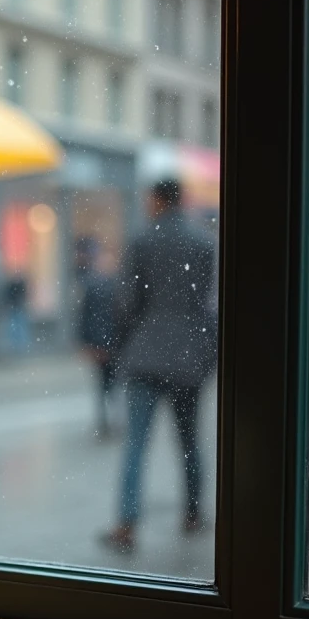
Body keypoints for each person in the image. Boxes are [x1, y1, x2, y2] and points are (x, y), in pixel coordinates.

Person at [101, 179, 217, 553]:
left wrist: (130, 342)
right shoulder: (203, 244)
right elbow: (211, 305)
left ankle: (126, 524)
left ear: (157, 200)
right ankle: (193, 514)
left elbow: (126, 303)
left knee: (136, 443)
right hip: (188, 357)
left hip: (146, 356)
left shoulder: (141, 241)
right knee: (188, 441)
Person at [75, 238, 123, 438]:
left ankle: (108, 421)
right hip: (106, 343)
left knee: (108, 385)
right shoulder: (104, 285)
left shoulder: (107, 285)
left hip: (109, 343)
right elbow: (86, 316)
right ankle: (107, 421)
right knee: (107, 384)